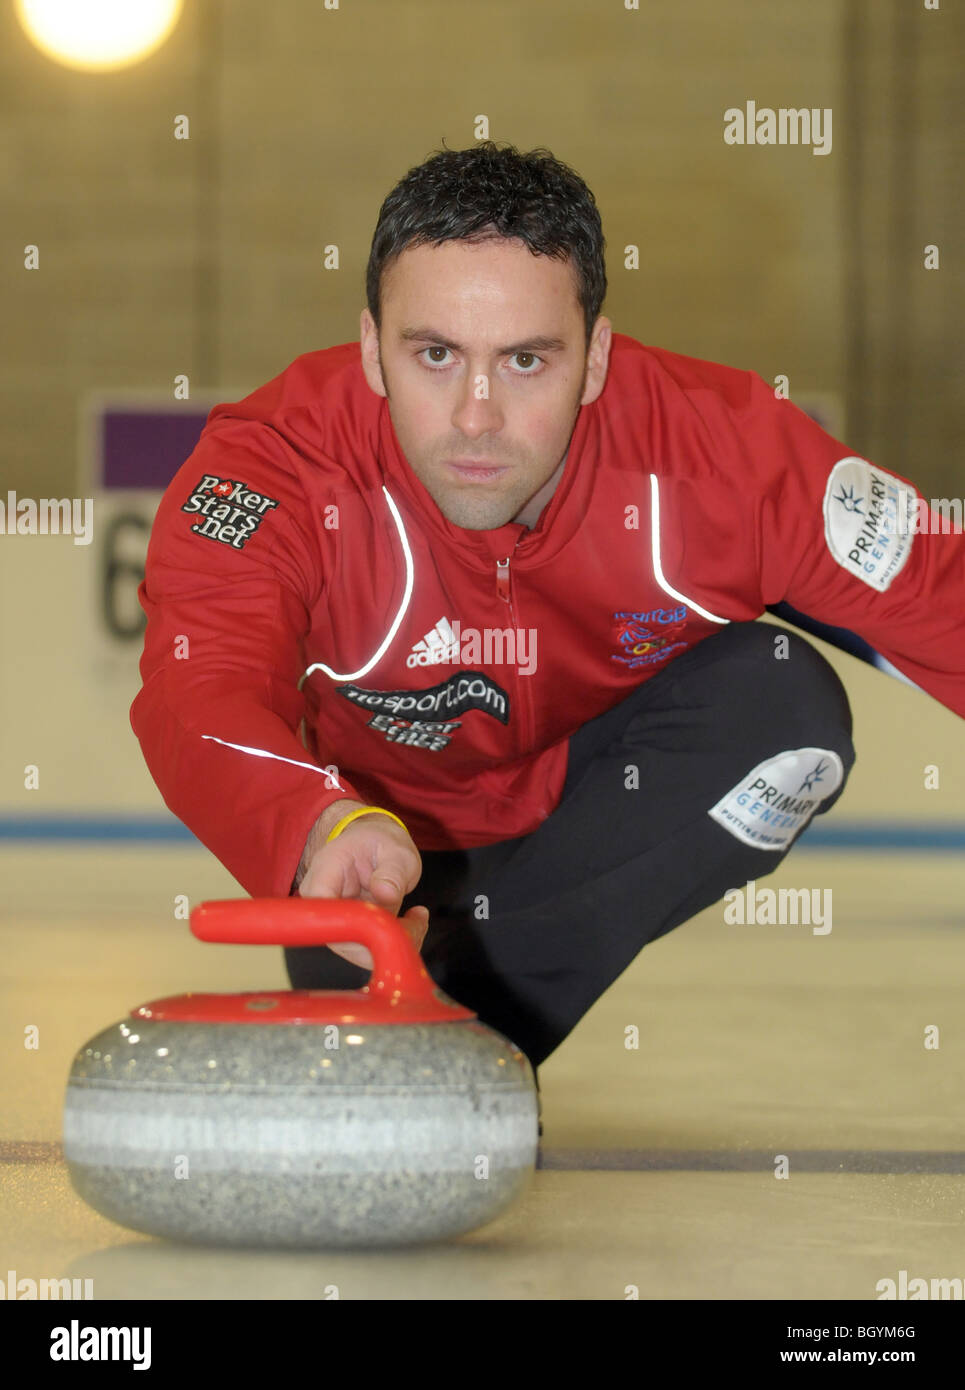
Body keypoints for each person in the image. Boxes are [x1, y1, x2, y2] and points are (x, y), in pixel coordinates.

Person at [130, 141, 964, 1112]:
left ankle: (445, 1049)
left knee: (787, 713)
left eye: (525, 360)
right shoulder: (272, 467)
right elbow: (200, 689)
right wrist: (314, 824)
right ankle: (433, 1044)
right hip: (370, 862)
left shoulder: (714, 450)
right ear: (369, 349)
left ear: (595, 356)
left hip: (590, 813)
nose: (476, 417)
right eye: (434, 354)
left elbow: (939, 598)